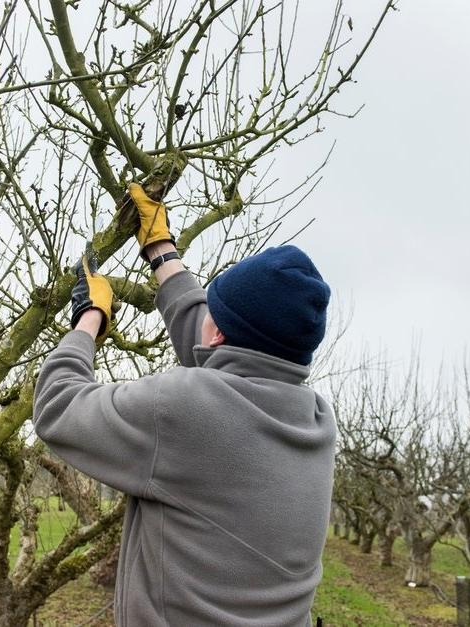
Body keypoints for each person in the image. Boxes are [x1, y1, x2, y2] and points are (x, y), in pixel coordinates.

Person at [32, 183, 336, 626]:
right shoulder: (315, 420)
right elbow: (219, 345)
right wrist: (160, 247)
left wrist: (87, 321)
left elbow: (57, 406)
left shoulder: (184, 408)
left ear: (219, 335)